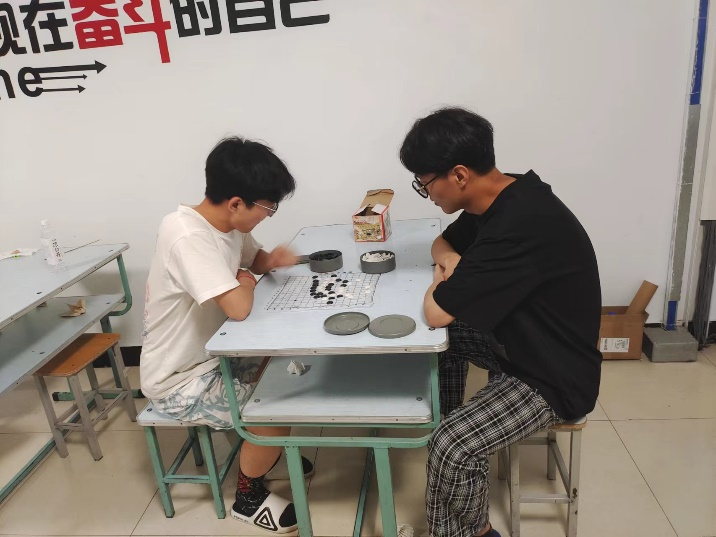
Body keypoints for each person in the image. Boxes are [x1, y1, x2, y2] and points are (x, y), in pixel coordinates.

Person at [399, 107, 602, 537]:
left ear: (458, 175)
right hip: (516, 337)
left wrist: (440, 280)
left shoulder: (518, 223)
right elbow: (442, 243)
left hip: (552, 374)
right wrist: (451, 262)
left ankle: (477, 530)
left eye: (424, 183)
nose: (426, 193)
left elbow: (435, 310)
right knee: (443, 344)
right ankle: (451, 430)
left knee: (452, 446)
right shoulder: (500, 195)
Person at [140, 136, 312, 534]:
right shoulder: (187, 235)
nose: (268, 215)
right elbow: (239, 306)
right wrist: (246, 279)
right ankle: (248, 497)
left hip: (215, 352)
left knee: (293, 366)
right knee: (278, 405)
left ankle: (267, 450)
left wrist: (264, 264)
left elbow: (254, 261)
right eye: (267, 207)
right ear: (236, 203)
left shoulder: (229, 224)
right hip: (178, 377)